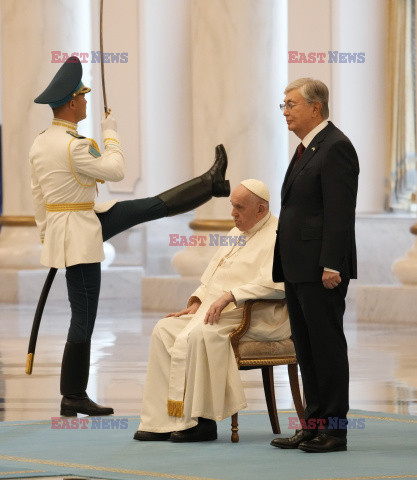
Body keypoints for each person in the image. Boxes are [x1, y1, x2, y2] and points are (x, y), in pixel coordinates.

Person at [30, 56, 230, 417]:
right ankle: (72, 394)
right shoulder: (74, 145)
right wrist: (111, 132)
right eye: (84, 97)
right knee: (83, 317)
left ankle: (210, 183)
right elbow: (117, 170)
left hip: (76, 225)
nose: (87, 102)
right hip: (81, 232)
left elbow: (38, 198)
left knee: (148, 207)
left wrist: (48, 236)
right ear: (73, 103)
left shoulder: (41, 142)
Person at [134, 179, 291, 442]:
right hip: (220, 312)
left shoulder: (279, 235)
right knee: (164, 330)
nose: (233, 214)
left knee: (201, 334)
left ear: (261, 210)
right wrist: (197, 301)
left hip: (258, 316)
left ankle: (201, 422)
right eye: (232, 206)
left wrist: (232, 295)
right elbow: (213, 275)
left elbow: (278, 285)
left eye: (239, 207)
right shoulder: (235, 232)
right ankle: (162, 420)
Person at [271, 78, 359, 453]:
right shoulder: (307, 149)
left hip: (322, 270)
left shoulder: (336, 147)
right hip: (297, 268)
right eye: (284, 105)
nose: (286, 111)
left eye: (291, 104)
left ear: (316, 108)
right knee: (307, 350)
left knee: (327, 350)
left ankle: (335, 431)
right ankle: (313, 424)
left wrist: (331, 264)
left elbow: (340, 214)